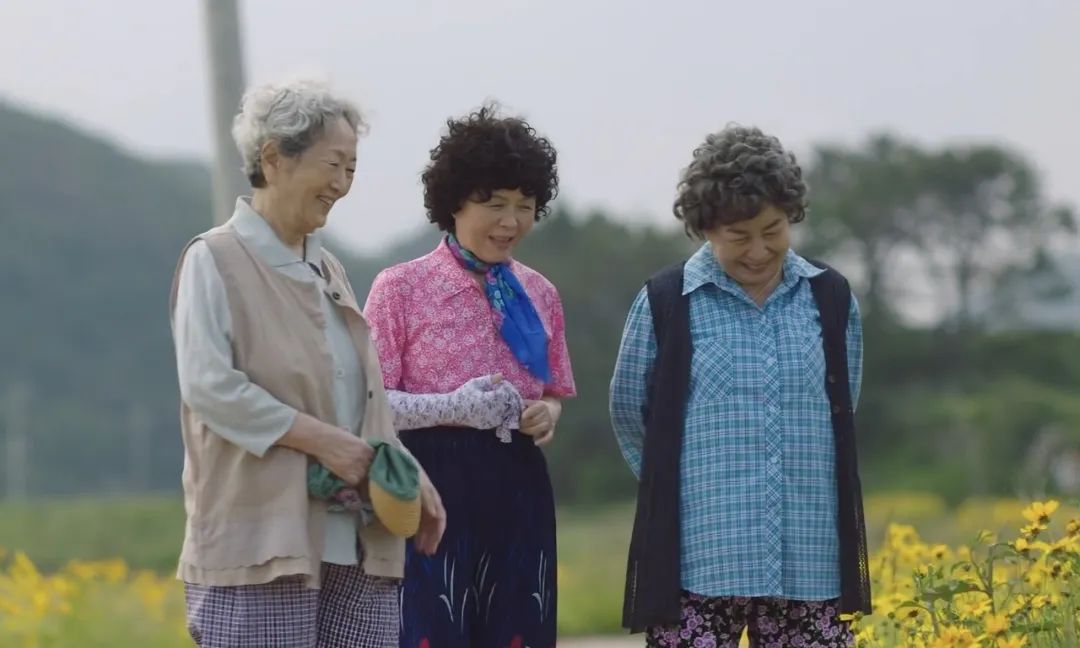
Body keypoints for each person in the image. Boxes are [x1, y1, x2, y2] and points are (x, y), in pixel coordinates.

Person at [170, 78, 445, 647]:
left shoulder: (329, 270)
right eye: (333, 164)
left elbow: (362, 399)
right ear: (273, 158)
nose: (342, 183)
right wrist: (324, 442)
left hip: (358, 537)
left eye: (352, 168)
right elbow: (210, 386)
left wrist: (406, 469)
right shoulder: (214, 259)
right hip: (261, 543)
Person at [610, 125, 869, 647]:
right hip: (700, 557)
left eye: (772, 230)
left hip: (810, 557)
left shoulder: (831, 298)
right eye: (738, 236)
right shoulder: (667, 301)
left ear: (791, 215)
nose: (758, 250)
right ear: (706, 228)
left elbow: (844, 404)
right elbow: (630, 411)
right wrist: (678, 487)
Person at [363, 105, 576, 648]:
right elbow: (368, 405)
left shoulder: (541, 292)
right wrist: (454, 407)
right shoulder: (400, 288)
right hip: (428, 483)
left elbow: (554, 392)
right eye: (495, 204)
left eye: (525, 206)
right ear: (454, 201)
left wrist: (546, 414)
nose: (511, 221)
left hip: (518, 486)